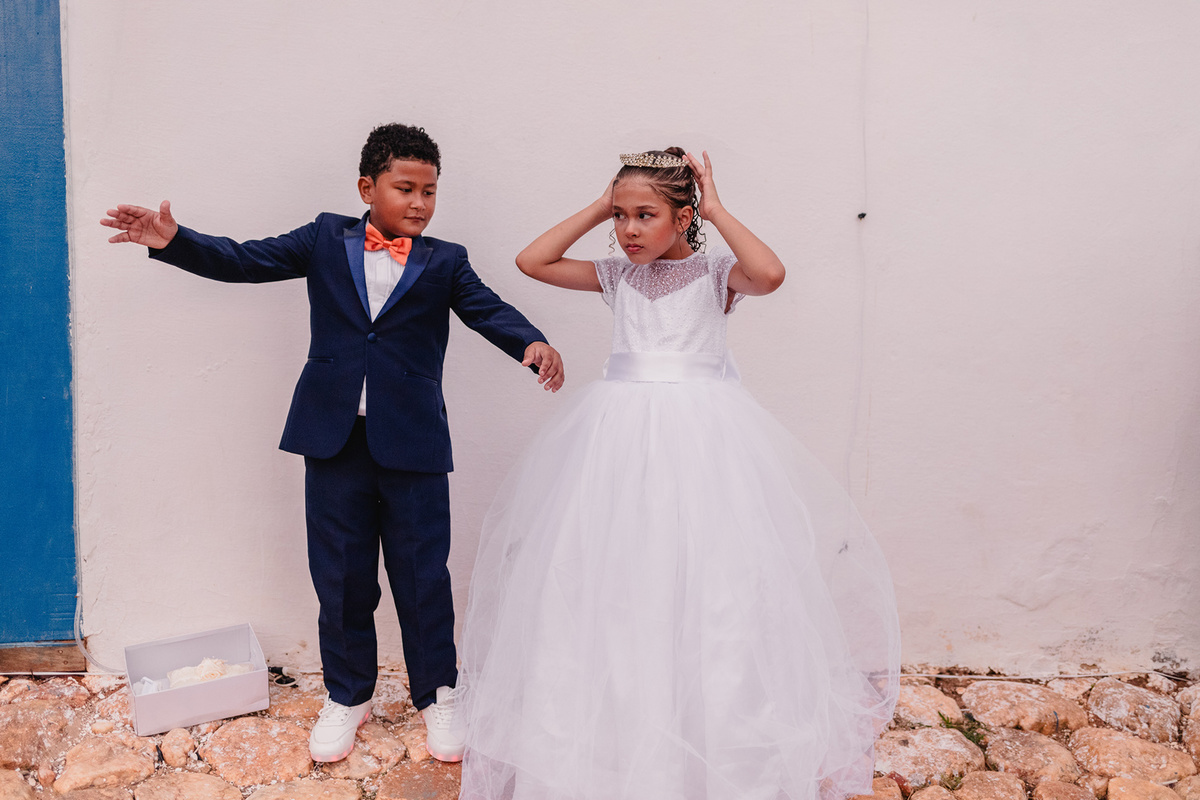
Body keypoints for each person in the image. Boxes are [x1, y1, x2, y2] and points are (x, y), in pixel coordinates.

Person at [101, 123, 563, 765]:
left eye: (431, 191)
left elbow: (486, 308)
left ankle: (438, 694)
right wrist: (174, 239)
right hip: (334, 438)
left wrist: (531, 342)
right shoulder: (323, 237)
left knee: (423, 575)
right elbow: (244, 260)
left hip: (414, 444)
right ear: (366, 188)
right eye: (406, 188)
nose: (421, 203)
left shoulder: (445, 260)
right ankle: (348, 695)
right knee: (341, 576)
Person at [455, 148, 900, 800]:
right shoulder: (614, 275)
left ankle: (713, 732)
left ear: (682, 217)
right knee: (618, 574)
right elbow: (533, 261)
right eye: (621, 216)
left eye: (645, 215)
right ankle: (619, 728)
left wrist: (717, 212)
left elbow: (770, 273)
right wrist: (599, 205)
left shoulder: (716, 273)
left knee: (709, 577)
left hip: (703, 441)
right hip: (619, 441)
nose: (629, 229)